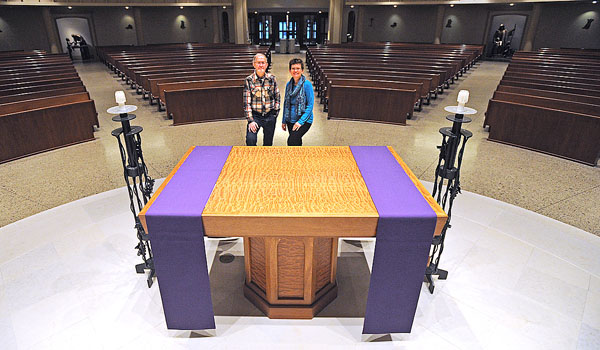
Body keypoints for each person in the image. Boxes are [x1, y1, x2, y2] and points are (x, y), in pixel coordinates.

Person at [243, 53, 280, 146]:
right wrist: (251, 120)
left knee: (268, 143)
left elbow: (277, 96)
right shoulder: (249, 80)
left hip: (270, 115)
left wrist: (275, 113)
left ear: (266, 65)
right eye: (258, 63)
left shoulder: (272, 79)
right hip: (256, 116)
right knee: (250, 140)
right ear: (254, 64)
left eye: (263, 63)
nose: (261, 65)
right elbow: (247, 103)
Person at [281, 58, 314, 146]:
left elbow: (310, 106)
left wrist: (300, 122)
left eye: (298, 68)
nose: (295, 71)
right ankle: (298, 158)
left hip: (304, 119)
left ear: (302, 70)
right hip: (290, 119)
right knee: (296, 141)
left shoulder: (307, 85)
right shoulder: (289, 84)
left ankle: (293, 159)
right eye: (293, 68)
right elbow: (286, 103)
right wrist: (284, 120)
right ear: (290, 70)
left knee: (291, 141)